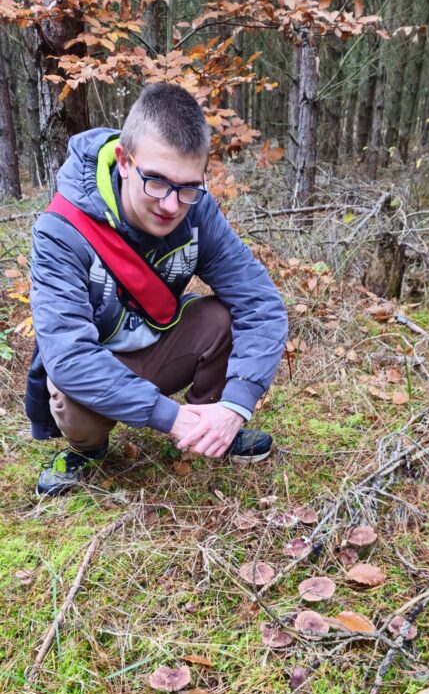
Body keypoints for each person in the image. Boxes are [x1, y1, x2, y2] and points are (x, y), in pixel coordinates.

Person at [26, 83, 288, 496]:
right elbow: (70, 356)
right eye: (157, 182)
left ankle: (211, 427)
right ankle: (87, 451)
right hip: (97, 365)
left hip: (157, 346)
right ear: (124, 160)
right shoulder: (62, 231)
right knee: (70, 390)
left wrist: (236, 404)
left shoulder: (196, 209)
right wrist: (170, 416)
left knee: (222, 316)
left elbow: (260, 303)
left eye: (187, 187)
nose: (171, 205)